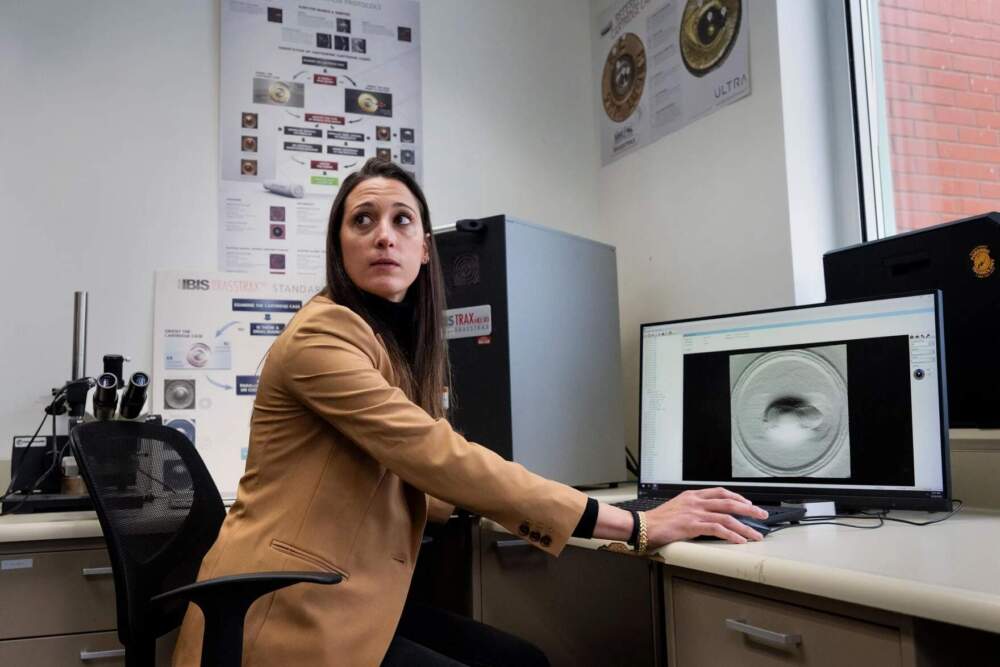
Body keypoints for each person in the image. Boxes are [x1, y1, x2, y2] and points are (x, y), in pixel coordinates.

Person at [172, 158, 768, 667]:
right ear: (339, 248)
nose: (384, 235)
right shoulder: (321, 337)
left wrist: (527, 497)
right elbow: (433, 455)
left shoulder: (388, 346)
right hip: (278, 616)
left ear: (425, 249)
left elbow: (423, 477)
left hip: (342, 600)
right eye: (363, 221)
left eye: (402, 220)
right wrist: (636, 524)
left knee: (522, 660)